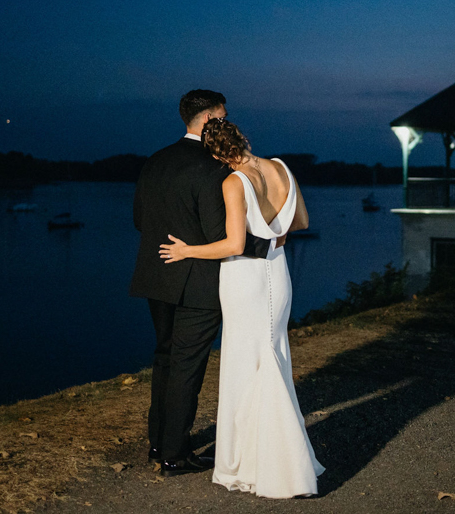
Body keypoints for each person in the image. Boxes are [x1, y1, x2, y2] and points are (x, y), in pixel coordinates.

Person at [159, 118, 325, 498]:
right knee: (273, 355)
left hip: (244, 280)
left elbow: (233, 245)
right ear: (243, 138)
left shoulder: (233, 182)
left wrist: (186, 250)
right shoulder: (281, 168)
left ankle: (259, 464)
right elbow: (301, 221)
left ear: (217, 153)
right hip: (278, 274)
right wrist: (272, 237)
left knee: (243, 364)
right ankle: (273, 455)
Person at [129, 90, 269, 476]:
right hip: (198, 283)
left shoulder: (154, 161)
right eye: (223, 117)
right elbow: (219, 235)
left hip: (156, 276)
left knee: (165, 359)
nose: (226, 122)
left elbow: (141, 220)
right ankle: (176, 454)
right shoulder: (213, 167)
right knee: (187, 366)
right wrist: (268, 242)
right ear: (208, 120)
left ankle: (158, 443)